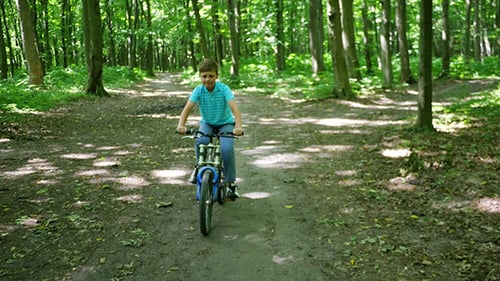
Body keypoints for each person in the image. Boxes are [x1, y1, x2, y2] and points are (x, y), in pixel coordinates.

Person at [177, 58, 244, 200]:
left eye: (211, 76)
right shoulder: (198, 90)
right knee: (201, 140)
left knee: (226, 150)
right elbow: (187, 108)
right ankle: (199, 167)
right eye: (204, 76)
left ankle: (231, 183)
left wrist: (238, 126)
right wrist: (181, 125)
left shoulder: (224, 89)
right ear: (200, 76)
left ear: (216, 76)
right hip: (207, 123)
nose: (208, 79)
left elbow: (234, 108)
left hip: (225, 123)